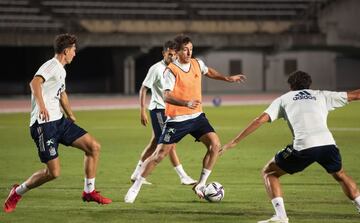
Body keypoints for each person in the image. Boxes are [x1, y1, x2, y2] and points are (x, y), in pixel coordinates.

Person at [221, 70, 360, 223]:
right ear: (309, 84)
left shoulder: (284, 99)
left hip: (303, 147)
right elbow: (355, 95)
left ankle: (281, 216)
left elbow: (259, 120)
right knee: (340, 174)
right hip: (328, 145)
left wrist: (234, 141)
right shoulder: (321, 94)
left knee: (269, 172)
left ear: (291, 85)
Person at [124, 34, 246, 203]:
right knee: (159, 155)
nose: (189, 53)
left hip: (197, 117)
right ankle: (136, 186)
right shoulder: (171, 70)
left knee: (215, 145)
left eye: (191, 49)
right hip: (177, 120)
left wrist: (227, 78)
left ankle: (200, 184)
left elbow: (208, 71)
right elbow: (166, 96)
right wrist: (185, 102)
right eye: (185, 50)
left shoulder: (197, 63)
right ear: (178, 52)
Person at [3, 34, 112, 213]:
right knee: (53, 173)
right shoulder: (51, 65)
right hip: (43, 125)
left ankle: (89, 191)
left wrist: (70, 114)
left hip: (60, 122)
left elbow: (61, 93)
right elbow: (34, 83)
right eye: (74, 50)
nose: (75, 54)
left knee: (93, 147)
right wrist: (42, 106)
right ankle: (17, 191)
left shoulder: (62, 69)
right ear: (66, 50)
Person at [130, 40, 196, 185]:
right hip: (159, 110)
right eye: (170, 54)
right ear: (164, 53)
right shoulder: (156, 68)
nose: (173, 57)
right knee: (169, 142)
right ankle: (182, 176)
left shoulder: (175, 68)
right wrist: (142, 111)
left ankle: (136, 173)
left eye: (175, 54)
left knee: (154, 143)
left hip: (169, 111)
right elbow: (143, 89)